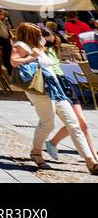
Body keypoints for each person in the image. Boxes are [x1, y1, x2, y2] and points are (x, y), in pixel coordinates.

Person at [10, 23, 98, 175]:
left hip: (55, 88)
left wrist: (39, 48)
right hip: (40, 90)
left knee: (74, 124)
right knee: (47, 124)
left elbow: (50, 41)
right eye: (37, 32)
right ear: (29, 33)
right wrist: (32, 57)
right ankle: (36, 151)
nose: (40, 35)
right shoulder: (20, 45)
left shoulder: (38, 45)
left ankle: (91, 162)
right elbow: (14, 61)